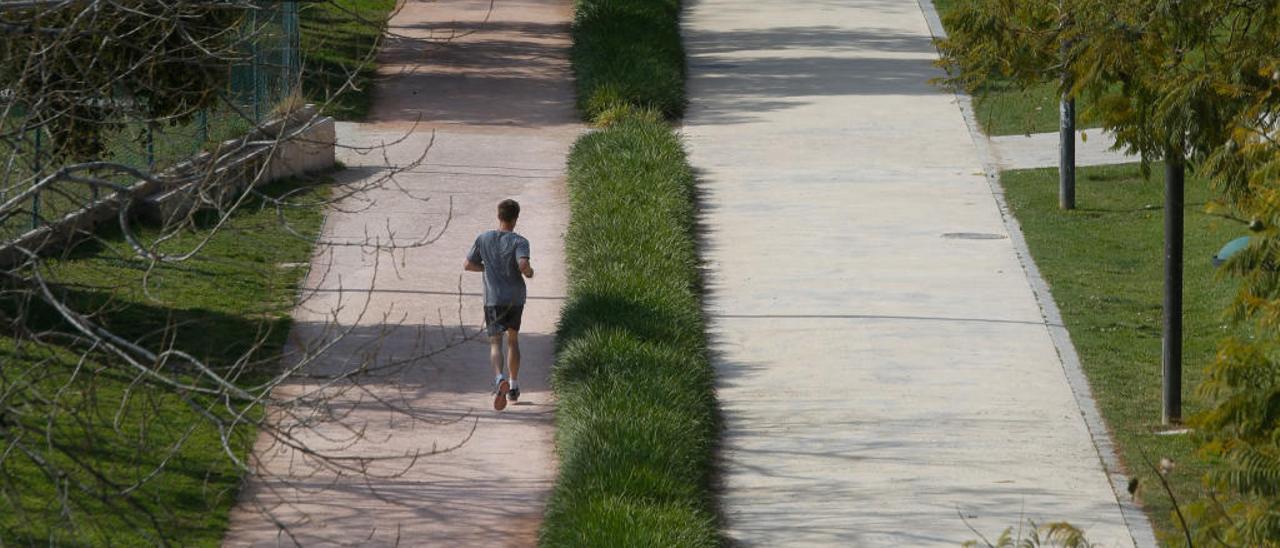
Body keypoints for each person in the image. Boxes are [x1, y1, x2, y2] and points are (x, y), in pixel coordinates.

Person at [463, 199, 534, 410]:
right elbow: (523, 265)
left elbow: (468, 264)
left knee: (495, 343)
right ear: (515, 219)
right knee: (513, 340)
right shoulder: (520, 241)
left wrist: (487, 268)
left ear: (499, 216)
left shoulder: (483, 238)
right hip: (515, 298)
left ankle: (499, 378)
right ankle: (513, 386)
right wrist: (529, 272)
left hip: (493, 299)